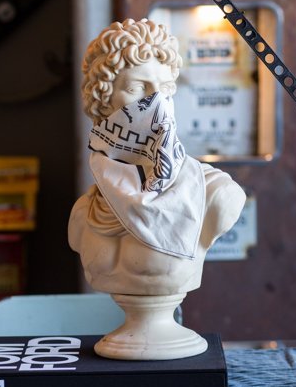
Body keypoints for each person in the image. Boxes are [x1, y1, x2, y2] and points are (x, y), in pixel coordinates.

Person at [68, 17, 246, 297]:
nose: (157, 104)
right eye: (137, 89)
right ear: (103, 100)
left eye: (164, 89)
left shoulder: (214, 194)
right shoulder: (85, 210)